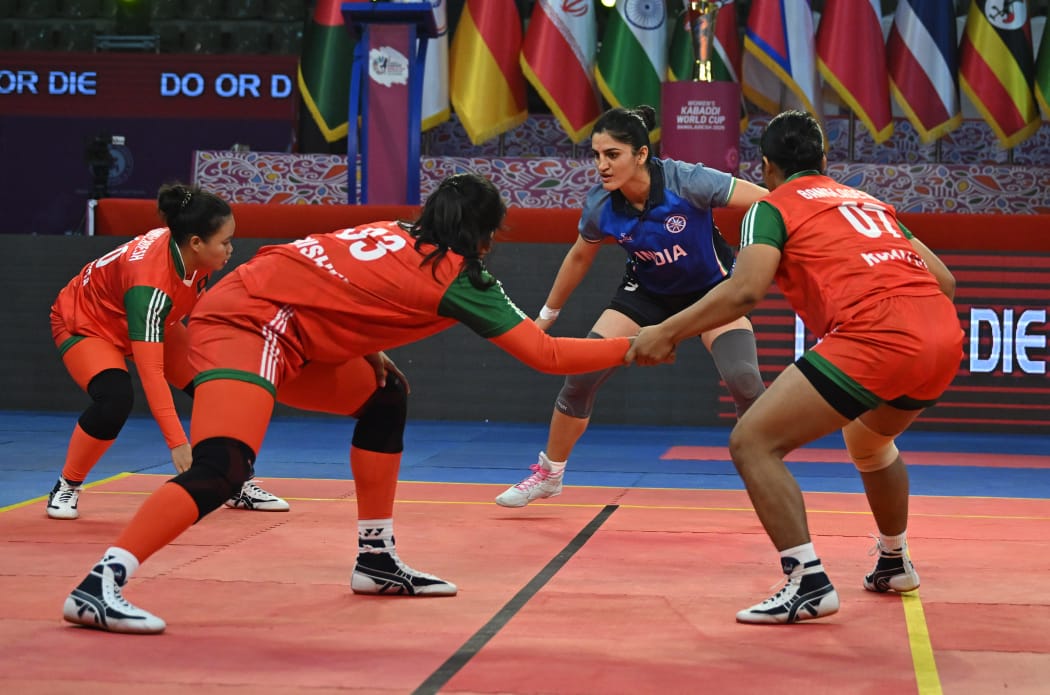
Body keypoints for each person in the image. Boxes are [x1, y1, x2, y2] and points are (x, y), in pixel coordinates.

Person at [61, 173, 642, 634]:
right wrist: (638, 345)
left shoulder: (392, 229)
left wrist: (368, 346)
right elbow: (546, 354)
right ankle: (98, 586)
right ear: (487, 236)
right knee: (223, 467)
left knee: (385, 397)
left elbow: (335, 278)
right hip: (250, 325)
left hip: (269, 314)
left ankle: (376, 561)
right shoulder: (461, 278)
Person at [628, 110, 963, 624]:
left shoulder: (770, 207)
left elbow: (745, 291)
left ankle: (807, 582)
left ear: (766, 167)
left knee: (752, 442)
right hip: (942, 336)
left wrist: (666, 330)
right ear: (824, 160)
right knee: (869, 443)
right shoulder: (869, 202)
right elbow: (945, 281)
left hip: (875, 334)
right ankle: (894, 561)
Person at [495, 105, 769, 508]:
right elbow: (579, 257)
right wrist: (546, 316)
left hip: (710, 294)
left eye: (612, 155)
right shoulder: (601, 205)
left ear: (641, 154)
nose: (601, 166)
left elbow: (768, 202)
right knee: (580, 378)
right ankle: (549, 475)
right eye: (596, 155)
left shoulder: (687, 180)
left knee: (744, 381)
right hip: (645, 294)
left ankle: (766, 475)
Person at [47, 182, 288, 521]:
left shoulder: (196, 256)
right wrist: (178, 444)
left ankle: (235, 481)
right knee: (114, 399)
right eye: (225, 242)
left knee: (218, 387)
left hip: (157, 320)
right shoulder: (150, 284)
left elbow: (204, 316)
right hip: (89, 322)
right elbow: (152, 374)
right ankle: (67, 484)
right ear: (196, 242)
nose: (231, 249)